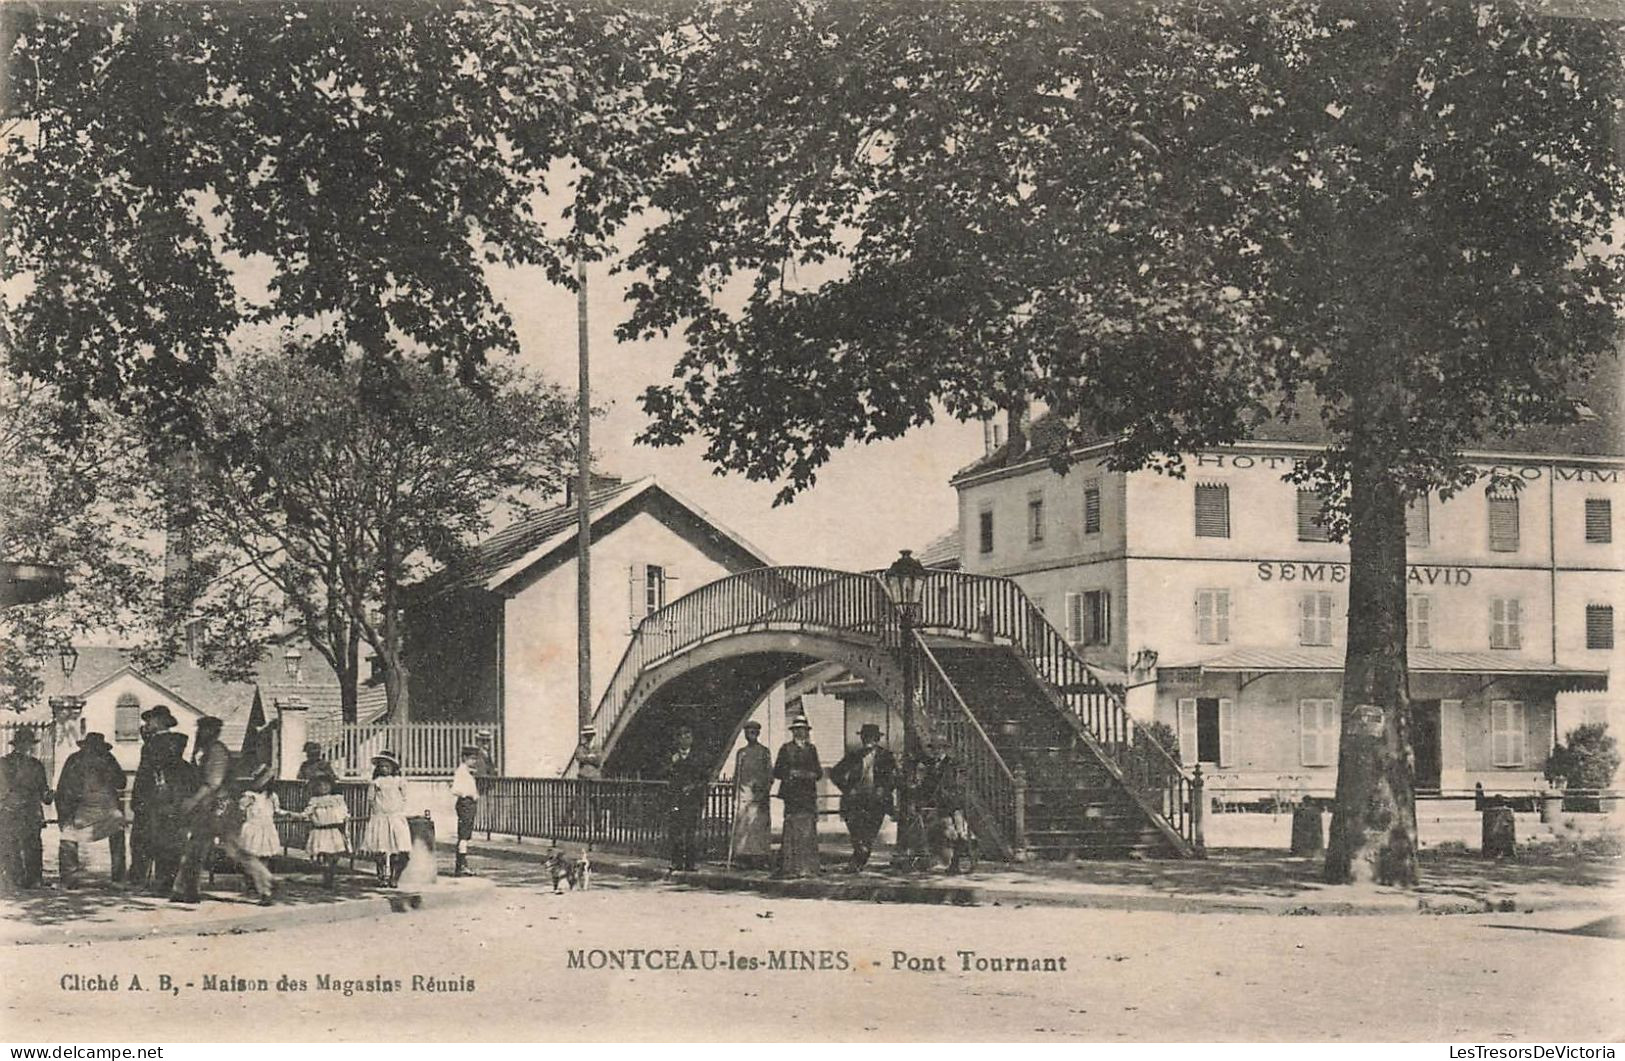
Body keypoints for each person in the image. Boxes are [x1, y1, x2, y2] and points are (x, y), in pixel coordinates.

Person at [171, 715, 276, 905]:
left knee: (232, 849)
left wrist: (193, 801)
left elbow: (213, 782)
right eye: (201, 729)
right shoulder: (206, 751)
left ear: (214, 731)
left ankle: (265, 883)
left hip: (220, 807)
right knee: (197, 848)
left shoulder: (217, 751)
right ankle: (184, 890)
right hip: (209, 808)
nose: (201, 733)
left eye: (205, 729)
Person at [55, 732, 128, 887]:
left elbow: (121, 782)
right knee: (68, 837)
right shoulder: (81, 760)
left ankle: (71, 879)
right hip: (87, 809)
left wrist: (63, 814)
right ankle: (71, 879)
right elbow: (64, 788)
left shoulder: (103, 759)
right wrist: (65, 814)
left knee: (117, 829)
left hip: (104, 809)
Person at [830, 723, 898, 873]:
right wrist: (848, 788)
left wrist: (884, 789)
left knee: (869, 835)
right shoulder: (854, 756)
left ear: (877, 739)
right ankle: (858, 860)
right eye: (865, 737)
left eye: (872, 738)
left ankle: (857, 863)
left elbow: (894, 778)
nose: (868, 740)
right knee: (856, 834)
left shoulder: (886, 756)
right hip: (855, 801)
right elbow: (834, 773)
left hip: (877, 801)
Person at [127, 705, 179, 887]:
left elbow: (156, 770)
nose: (146, 724)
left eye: (149, 720)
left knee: (144, 840)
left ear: (158, 721)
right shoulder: (169, 742)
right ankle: (160, 880)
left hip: (152, 798)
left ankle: (141, 880)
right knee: (160, 839)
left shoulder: (157, 744)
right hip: (158, 798)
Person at [0, 729, 52, 891]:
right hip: (30, 809)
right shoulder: (36, 765)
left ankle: (14, 879)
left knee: (11, 844)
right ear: (29, 745)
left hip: (10, 808)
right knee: (32, 844)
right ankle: (33, 879)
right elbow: (44, 793)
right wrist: (48, 796)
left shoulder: (3, 763)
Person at [144, 730, 194, 895]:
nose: (173, 750)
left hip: (177, 813)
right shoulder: (160, 768)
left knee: (174, 849)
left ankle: (171, 884)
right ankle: (163, 883)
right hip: (161, 813)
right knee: (161, 848)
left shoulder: (186, 769)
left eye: (178, 747)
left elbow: (187, 792)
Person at [772, 714, 822, 878]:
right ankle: (790, 867)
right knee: (792, 828)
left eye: (803, 730)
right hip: (792, 795)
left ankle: (808, 867)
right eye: (797, 730)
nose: (800, 733)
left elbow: (818, 772)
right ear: (793, 732)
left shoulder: (811, 749)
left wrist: (808, 774)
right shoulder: (786, 749)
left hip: (807, 795)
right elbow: (777, 771)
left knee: (807, 829)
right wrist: (791, 773)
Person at [360, 751, 412, 887]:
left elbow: (405, 797)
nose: (384, 769)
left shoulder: (399, 781)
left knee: (399, 848)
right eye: (381, 766)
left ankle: (394, 877)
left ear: (393, 767)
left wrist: (399, 810)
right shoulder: (376, 783)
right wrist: (377, 812)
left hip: (395, 817)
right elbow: (371, 799)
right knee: (381, 849)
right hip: (380, 818)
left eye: (387, 766)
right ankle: (382, 876)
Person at [665, 726, 710, 873]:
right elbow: (666, 776)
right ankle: (676, 862)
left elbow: (704, 778)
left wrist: (693, 787)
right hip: (676, 799)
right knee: (676, 831)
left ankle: (690, 863)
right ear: (677, 740)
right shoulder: (672, 757)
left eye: (688, 736)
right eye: (682, 736)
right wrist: (672, 763)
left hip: (692, 799)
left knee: (691, 831)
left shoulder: (699, 757)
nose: (685, 739)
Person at [729, 720, 773, 870]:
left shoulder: (764, 752)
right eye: (748, 732)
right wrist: (735, 793)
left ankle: (760, 858)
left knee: (759, 827)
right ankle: (743, 858)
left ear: (758, 734)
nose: (751, 735)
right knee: (744, 827)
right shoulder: (741, 753)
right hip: (744, 795)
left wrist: (764, 789)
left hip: (759, 797)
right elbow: (737, 774)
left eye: (754, 732)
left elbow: (769, 775)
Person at [299, 775, 349, 890]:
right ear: (316, 788)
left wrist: (345, 819)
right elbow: (307, 812)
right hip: (320, 831)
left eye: (327, 785)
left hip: (333, 830)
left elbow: (344, 811)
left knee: (334, 856)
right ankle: (327, 877)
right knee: (324, 854)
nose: (324, 788)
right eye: (320, 785)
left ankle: (329, 875)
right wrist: (300, 816)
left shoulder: (337, 799)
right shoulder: (315, 801)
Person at [450, 744, 481, 877]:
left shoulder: (467, 771)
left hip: (469, 804)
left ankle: (462, 864)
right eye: (471, 758)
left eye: (475, 758)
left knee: (465, 835)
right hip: (465, 803)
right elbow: (456, 789)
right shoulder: (461, 772)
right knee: (463, 835)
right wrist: (467, 794)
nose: (473, 761)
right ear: (464, 758)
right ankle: (460, 865)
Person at [236, 783, 282, 862]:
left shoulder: (272, 796)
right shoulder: (250, 795)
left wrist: (293, 814)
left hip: (267, 827)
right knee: (252, 852)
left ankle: (263, 871)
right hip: (254, 827)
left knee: (266, 853)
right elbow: (241, 808)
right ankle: (253, 872)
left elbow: (277, 810)